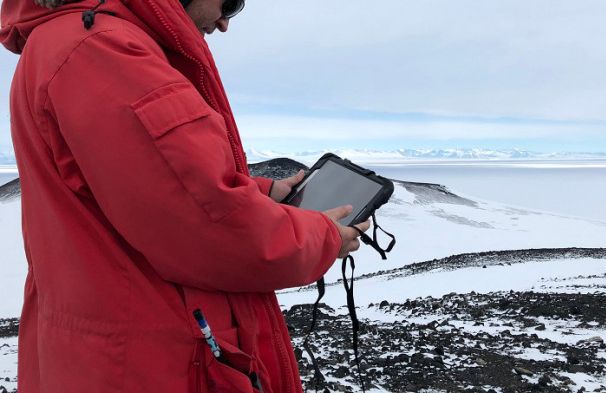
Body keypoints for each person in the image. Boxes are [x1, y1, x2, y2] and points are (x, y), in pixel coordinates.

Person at [0, 0, 370, 392]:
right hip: (152, 365)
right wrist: (322, 236)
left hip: (107, 351)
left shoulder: (69, 40)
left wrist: (262, 193)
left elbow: (146, 191)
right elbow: (212, 233)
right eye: (229, 1)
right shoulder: (106, 51)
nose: (226, 22)